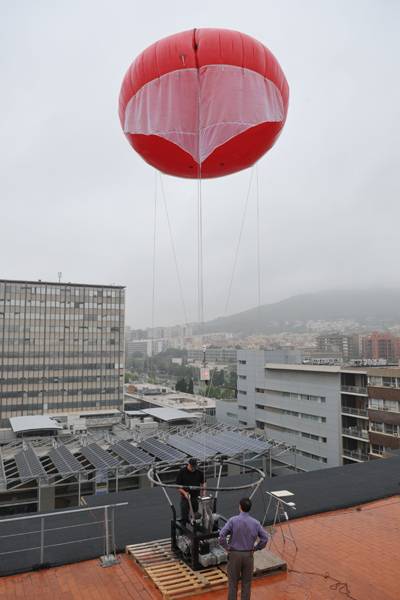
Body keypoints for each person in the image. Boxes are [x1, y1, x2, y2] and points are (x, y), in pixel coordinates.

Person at [219, 497, 269, 600]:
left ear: (240, 507)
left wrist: (227, 547)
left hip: (234, 555)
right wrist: (256, 548)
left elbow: (221, 536)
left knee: (233, 583)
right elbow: (265, 538)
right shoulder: (256, 523)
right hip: (248, 555)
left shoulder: (233, 520)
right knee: (247, 583)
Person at [176, 458, 206, 525]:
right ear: (188, 464)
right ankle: (182, 532)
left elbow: (203, 482)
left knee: (196, 515)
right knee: (184, 515)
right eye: (191, 467)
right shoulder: (182, 472)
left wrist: (203, 493)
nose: (193, 468)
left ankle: (196, 529)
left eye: (194, 467)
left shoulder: (199, 472)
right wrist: (184, 493)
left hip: (196, 497)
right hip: (185, 497)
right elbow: (178, 486)